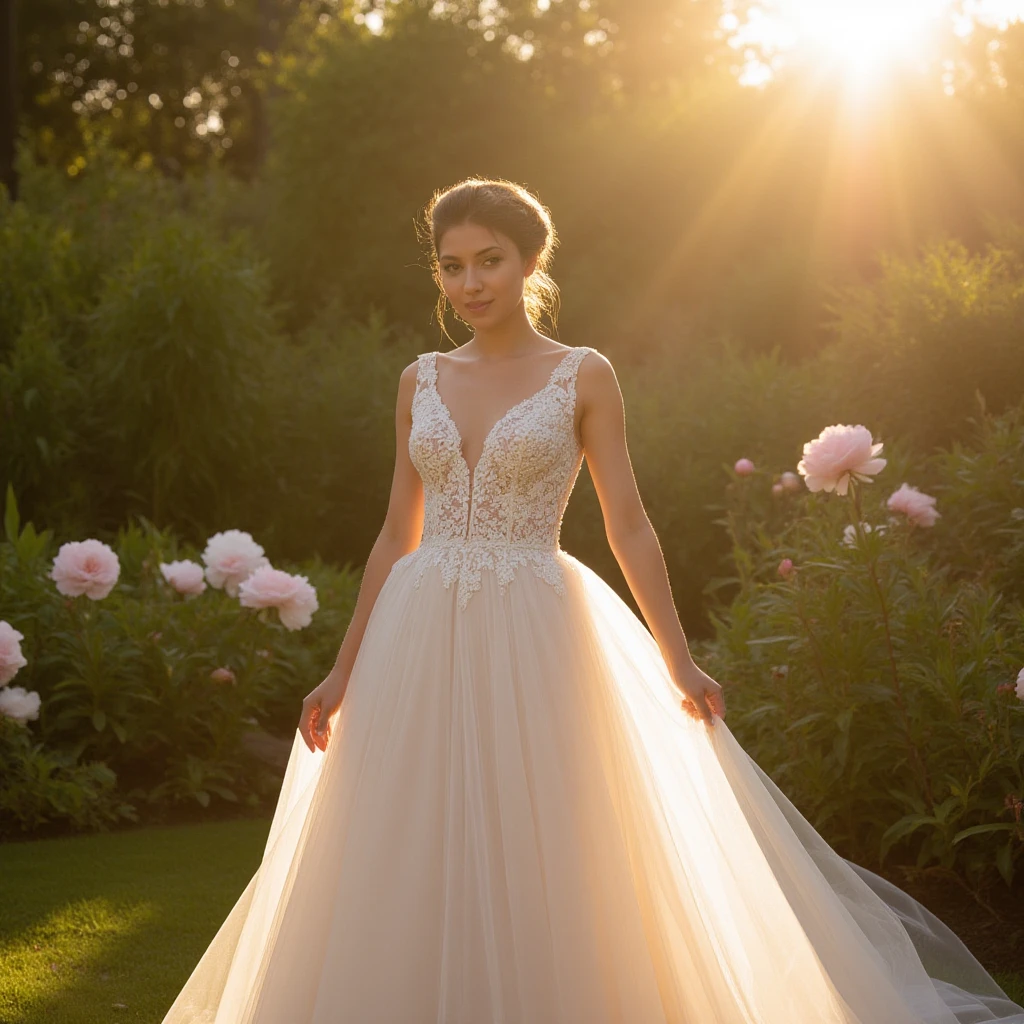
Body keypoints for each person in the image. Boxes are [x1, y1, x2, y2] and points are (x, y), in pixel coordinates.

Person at [161, 179, 1024, 1023]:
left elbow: (631, 525)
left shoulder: (583, 375)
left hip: (537, 621)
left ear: (531, 260)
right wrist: (340, 670)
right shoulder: (417, 378)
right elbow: (395, 534)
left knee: (548, 833)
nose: (471, 284)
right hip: (418, 630)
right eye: (452, 266)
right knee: (403, 838)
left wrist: (677, 658)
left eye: (490, 261)